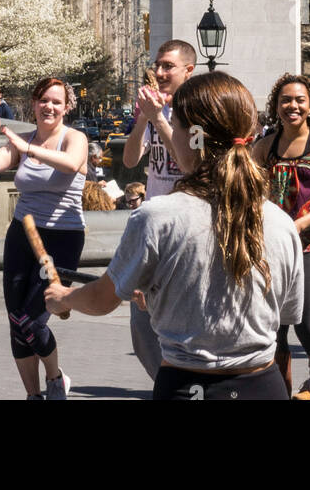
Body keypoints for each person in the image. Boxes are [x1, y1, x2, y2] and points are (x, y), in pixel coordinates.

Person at [44, 71, 304, 401]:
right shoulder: (281, 223)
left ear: (192, 134)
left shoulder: (157, 217)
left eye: (175, 125)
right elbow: (283, 313)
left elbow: (102, 298)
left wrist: (63, 298)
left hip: (187, 386)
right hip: (264, 386)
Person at [0, 76, 87, 400]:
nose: (49, 107)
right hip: (22, 233)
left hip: (62, 237)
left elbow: (70, 165)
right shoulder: (21, 140)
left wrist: (28, 148)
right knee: (16, 319)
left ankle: (55, 379)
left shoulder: (74, 138)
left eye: (56, 101)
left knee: (32, 319)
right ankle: (33, 394)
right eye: (43, 100)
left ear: (66, 106)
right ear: (33, 105)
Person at [251, 73, 310, 399]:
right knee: (273, 329)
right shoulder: (263, 147)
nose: (293, 106)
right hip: (273, 244)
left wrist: (299, 225)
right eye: (286, 100)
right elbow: (253, 195)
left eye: (300, 100)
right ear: (276, 105)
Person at [121, 38, 197, 377]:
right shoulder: (153, 110)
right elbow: (129, 159)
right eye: (158, 65)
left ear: (188, 70)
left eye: (168, 66)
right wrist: (143, 119)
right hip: (153, 225)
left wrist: (161, 120)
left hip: (187, 227)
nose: (160, 72)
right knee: (142, 330)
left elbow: (190, 162)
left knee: (181, 323)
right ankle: (167, 385)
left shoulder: (198, 111)